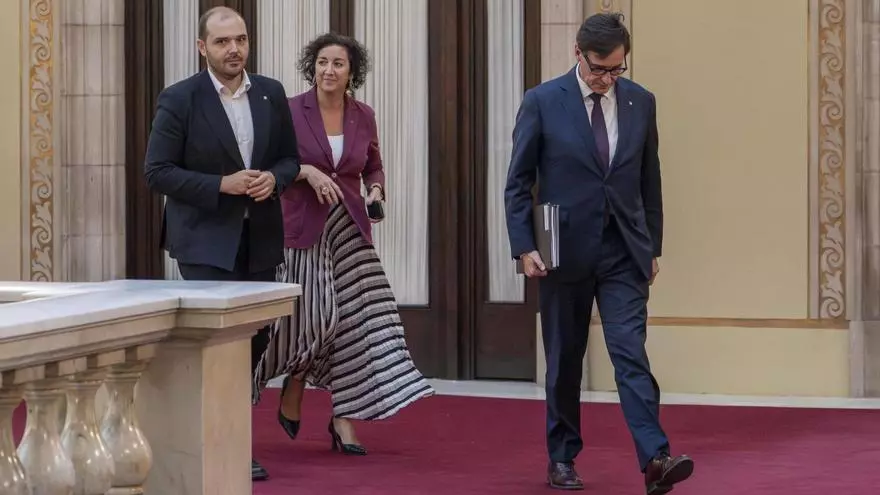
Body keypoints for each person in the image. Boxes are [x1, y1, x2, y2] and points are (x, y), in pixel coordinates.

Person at [504, 13, 694, 493]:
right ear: (578, 53)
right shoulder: (543, 101)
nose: (607, 79)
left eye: (616, 69)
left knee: (630, 352)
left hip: (623, 252)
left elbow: (650, 179)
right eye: (599, 69)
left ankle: (656, 458)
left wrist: (651, 245)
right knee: (565, 358)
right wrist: (524, 246)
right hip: (563, 252)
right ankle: (562, 458)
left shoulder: (640, 102)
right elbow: (518, 182)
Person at [252, 32, 434, 455]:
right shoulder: (290, 110)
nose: (328, 70)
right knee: (315, 317)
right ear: (312, 67)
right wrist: (306, 172)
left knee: (358, 320)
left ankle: (344, 418)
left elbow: (373, 165)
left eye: (338, 64)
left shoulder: (363, 115)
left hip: (349, 226)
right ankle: (295, 379)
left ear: (352, 72)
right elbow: (272, 165)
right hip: (302, 228)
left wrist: (376, 191)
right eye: (322, 62)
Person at [143, 6, 300, 482]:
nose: (234, 49)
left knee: (254, 342)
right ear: (202, 47)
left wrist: (274, 179)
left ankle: (230, 437)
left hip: (261, 239)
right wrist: (220, 185)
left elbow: (290, 160)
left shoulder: (271, 93)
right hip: (204, 243)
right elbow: (157, 172)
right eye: (222, 42)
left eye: (241, 40)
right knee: (216, 347)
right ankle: (218, 450)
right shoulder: (180, 98)